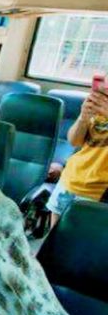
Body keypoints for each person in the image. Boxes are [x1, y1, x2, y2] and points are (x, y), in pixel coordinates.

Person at [47, 81, 108, 227]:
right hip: (70, 180)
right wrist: (83, 117)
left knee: (85, 245)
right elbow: (74, 141)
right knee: (55, 241)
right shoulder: (97, 108)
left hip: (99, 191)